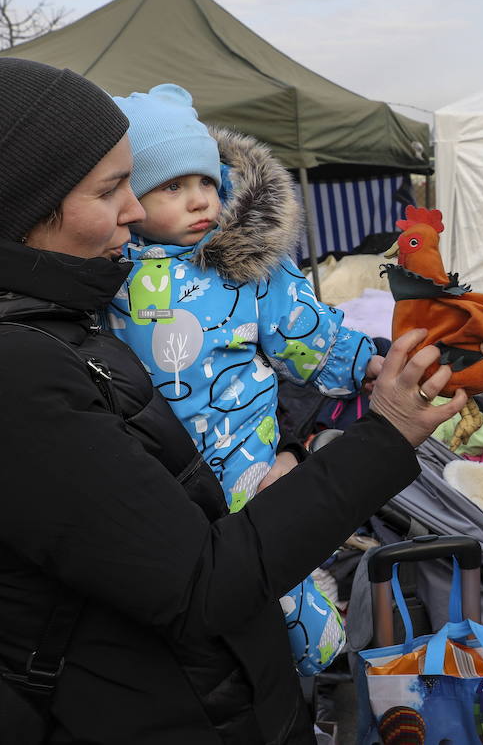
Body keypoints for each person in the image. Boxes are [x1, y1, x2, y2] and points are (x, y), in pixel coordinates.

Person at [0, 56, 466, 743]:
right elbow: (201, 587)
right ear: (24, 205)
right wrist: (383, 437)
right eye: (113, 188)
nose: (138, 210)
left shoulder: (49, 317)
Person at [101, 83, 370, 675]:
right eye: (172, 186)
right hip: (153, 467)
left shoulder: (243, 267)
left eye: (206, 183)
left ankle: (319, 668)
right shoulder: (105, 275)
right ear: (128, 197)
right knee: (188, 591)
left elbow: (305, 332)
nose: (200, 200)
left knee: (271, 570)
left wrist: (366, 365)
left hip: (242, 453)